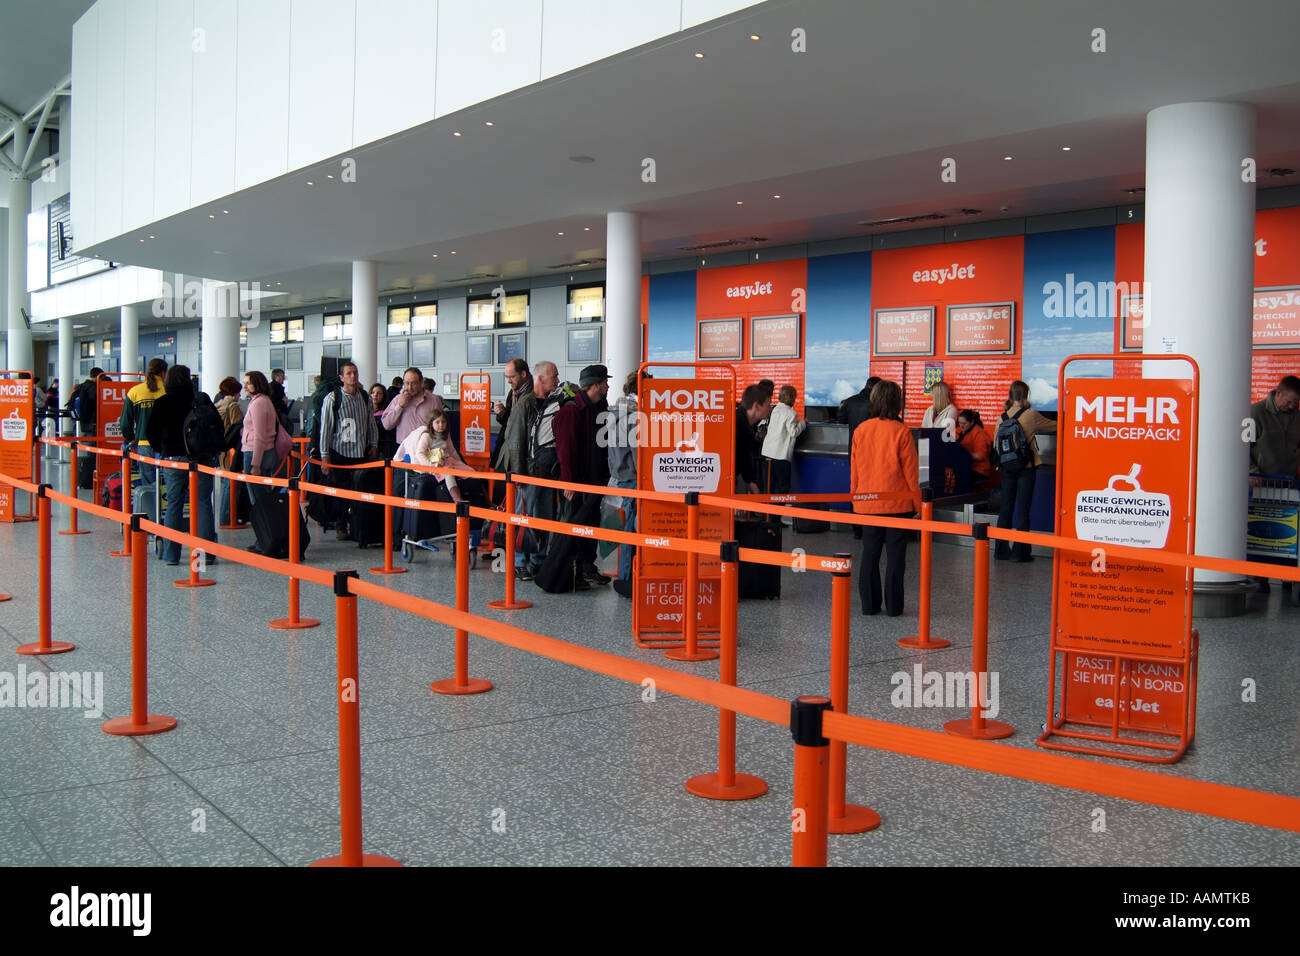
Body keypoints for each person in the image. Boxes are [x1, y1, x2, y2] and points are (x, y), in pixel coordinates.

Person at [851, 380, 918, 616]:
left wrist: (855, 498)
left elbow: (855, 469)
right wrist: (917, 504)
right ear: (897, 403)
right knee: (896, 558)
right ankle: (894, 606)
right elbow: (910, 472)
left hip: (867, 502)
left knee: (869, 554)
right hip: (897, 504)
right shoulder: (902, 432)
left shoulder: (861, 430)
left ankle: (869, 605)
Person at [145, 365, 218, 567]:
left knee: (174, 503)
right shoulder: (201, 399)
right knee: (202, 502)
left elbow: (150, 432)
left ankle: (171, 555)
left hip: (173, 458)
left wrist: (163, 448)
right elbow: (216, 427)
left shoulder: (163, 402)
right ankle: (205, 555)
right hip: (201, 458)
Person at [554, 364, 612, 588]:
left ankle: (587, 567)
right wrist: (568, 482)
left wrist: (605, 474)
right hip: (576, 482)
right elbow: (566, 450)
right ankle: (568, 571)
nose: (607, 386)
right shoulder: (571, 410)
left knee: (591, 525)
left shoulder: (599, 407)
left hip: (595, 480)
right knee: (572, 526)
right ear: (595, 385)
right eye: (605, 382)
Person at [520, 361, 574, 580]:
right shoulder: (526, 403)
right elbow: (515, 439)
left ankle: (538, 560)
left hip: (547, 472)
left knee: (544, 518)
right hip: (528, 471)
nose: (557, 379)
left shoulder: (556, 400)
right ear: (540, 378)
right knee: (524, 516)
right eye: (554, 376)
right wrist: (517, 472)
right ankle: (519, 562)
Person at [1248, 375, 1300, 593]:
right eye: (1289, 401)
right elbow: (1244, 445)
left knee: (1288, 529)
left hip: (1289, 484)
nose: (1291, 406)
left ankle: (1287, 575)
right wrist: (1252, 471)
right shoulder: (1255, 412)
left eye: (1296, 403)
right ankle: (1261, 578)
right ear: (1278, 393)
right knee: (1261, 528)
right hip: (1263, 482)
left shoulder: (1298, 417)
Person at [995, 380, 1056, 562]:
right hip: (1026, 468)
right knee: (1023, 509)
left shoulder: (1002, 417)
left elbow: (995, 445)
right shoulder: (1031, 415)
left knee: (1006, 508)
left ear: (1011, 395)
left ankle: (1000, 551)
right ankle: (1020, 553)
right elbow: (1054, 426)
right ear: (1026, 395)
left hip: (1007, 469)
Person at [319, 362, 379, 540]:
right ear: (342, 378)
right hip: (340, 452)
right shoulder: (332, 399)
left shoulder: (365, 397)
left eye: (355, 373)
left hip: (361, 452)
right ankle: (340, 523)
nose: (353, 376)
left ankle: (357, 525)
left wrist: (374, 444)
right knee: (341, 490)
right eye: (349, 373)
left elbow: (371, 422)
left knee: (359, 489)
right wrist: (325, 456)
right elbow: (326, 428)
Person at [607, 372, 641, 597]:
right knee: (631, 529)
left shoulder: (614, 412)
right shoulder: (635, 416)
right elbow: (639, 455)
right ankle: (627, 578)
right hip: (633, 478)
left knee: (626, 527)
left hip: (620, 475)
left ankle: (625, 574)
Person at [396, 408, 469, 504]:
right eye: (437, 422)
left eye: (443, 422)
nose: (441, 425)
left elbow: (452, 451)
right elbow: (420, 453)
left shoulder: (446, 435)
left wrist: (461, 464)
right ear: (431, 423)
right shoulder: (427, 436)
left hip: (447, 460)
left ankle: (486, 501)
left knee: (470, 472)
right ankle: (457, 499)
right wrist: (432, 466)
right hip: (435, 464)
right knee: (448, 474)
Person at [242, 370, 291, 499]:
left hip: (256, 453)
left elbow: (259, 435)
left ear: (257, 384)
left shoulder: (258, 403)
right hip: (265, 451)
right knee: (264, 494)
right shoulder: (264, 400)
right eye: (244, 383)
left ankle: (261, 519)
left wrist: (255, 464)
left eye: (249, 383)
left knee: (258, 499)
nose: (245, 386)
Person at [121, 359, 168, 486]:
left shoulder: (135, 392)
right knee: (168, 483)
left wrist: (132, 440)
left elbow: (125, 423)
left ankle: (150, 506)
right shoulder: (169, 390)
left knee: (148, 484)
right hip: (167, 445)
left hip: (144, 444)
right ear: (163, 373)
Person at [381, 366, 444, 447]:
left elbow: (442, 427)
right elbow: (387, 425)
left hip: (428, 448)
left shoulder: (434, 400)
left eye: (413, 383)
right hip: (405, 449)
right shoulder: (398, 399)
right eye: (407, 383)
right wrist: (400, 406)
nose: (409, 387)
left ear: (421, 383)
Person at [761, 385, 806, 495]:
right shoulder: (791, 413)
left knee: (768, 487)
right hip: (780, 455)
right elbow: (793, 432)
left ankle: (767, 511)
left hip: (767, 452)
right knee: (783, 487)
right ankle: (777, 511)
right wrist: (803, 423)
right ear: (792, 398)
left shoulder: (774, 409)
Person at [214, 376, 244, 526]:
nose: (240, 396)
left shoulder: (218, 405)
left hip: (221, 450)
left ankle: (225, 518)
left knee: (226, 482)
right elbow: (239, 429)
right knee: (231, 484)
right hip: (231, 450)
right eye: (238, 392)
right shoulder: (232, 406)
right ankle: (228, 519)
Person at [493, 358, 533, 469]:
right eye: (507, 377)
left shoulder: (532, 395)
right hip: (507, 450)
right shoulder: (514, 392)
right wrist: (502, 413)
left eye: (512, 377)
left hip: (521, 454)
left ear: (523, 374)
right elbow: (510, 422)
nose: (509, 381)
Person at [735, 384, 773, 494]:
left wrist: (751, 481)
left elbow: (745, 456)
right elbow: (728, 462)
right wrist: (733, 495)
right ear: (756, 406)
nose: (770, 409)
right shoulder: (735, 425)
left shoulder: (748, 425)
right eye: (768, 405)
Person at [956, 409, 996, 491]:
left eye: (964, 423)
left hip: (979, 470)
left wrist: (963, 455)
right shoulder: (959, 431)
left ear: (972, 422)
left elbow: (981, 455)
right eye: (959, 423)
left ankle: (964, 501)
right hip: (965, 467)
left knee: (959, 478)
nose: (961, 426)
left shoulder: (980, 434)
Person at [66, 366, 103, 437]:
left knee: (88, 438)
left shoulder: (81, 386)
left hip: (83, 418)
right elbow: (95, 402)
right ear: (98, 376)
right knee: (92, 441)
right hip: (92, 419)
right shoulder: (94, 387)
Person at [371, 383, 398, 460]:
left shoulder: (386, 413)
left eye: (379, 393)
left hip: (383, 449)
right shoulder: (365, 411)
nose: (375, 395)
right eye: (373, 392)